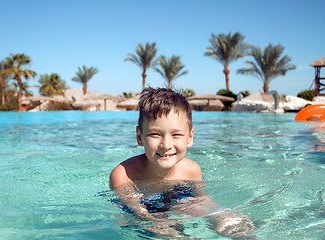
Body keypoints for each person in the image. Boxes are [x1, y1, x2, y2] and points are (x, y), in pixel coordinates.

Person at [109, 87, 255, 238]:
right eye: (155, 134)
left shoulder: (191, 170)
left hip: (179, 195)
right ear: (140, 137)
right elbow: (135, 211)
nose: (166, 145)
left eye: (176, 134)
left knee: (225, 219)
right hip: (141, 204)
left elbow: (200, 201)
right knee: (161, 231)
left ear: (190, 137)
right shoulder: (124, 175)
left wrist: (218, 215)